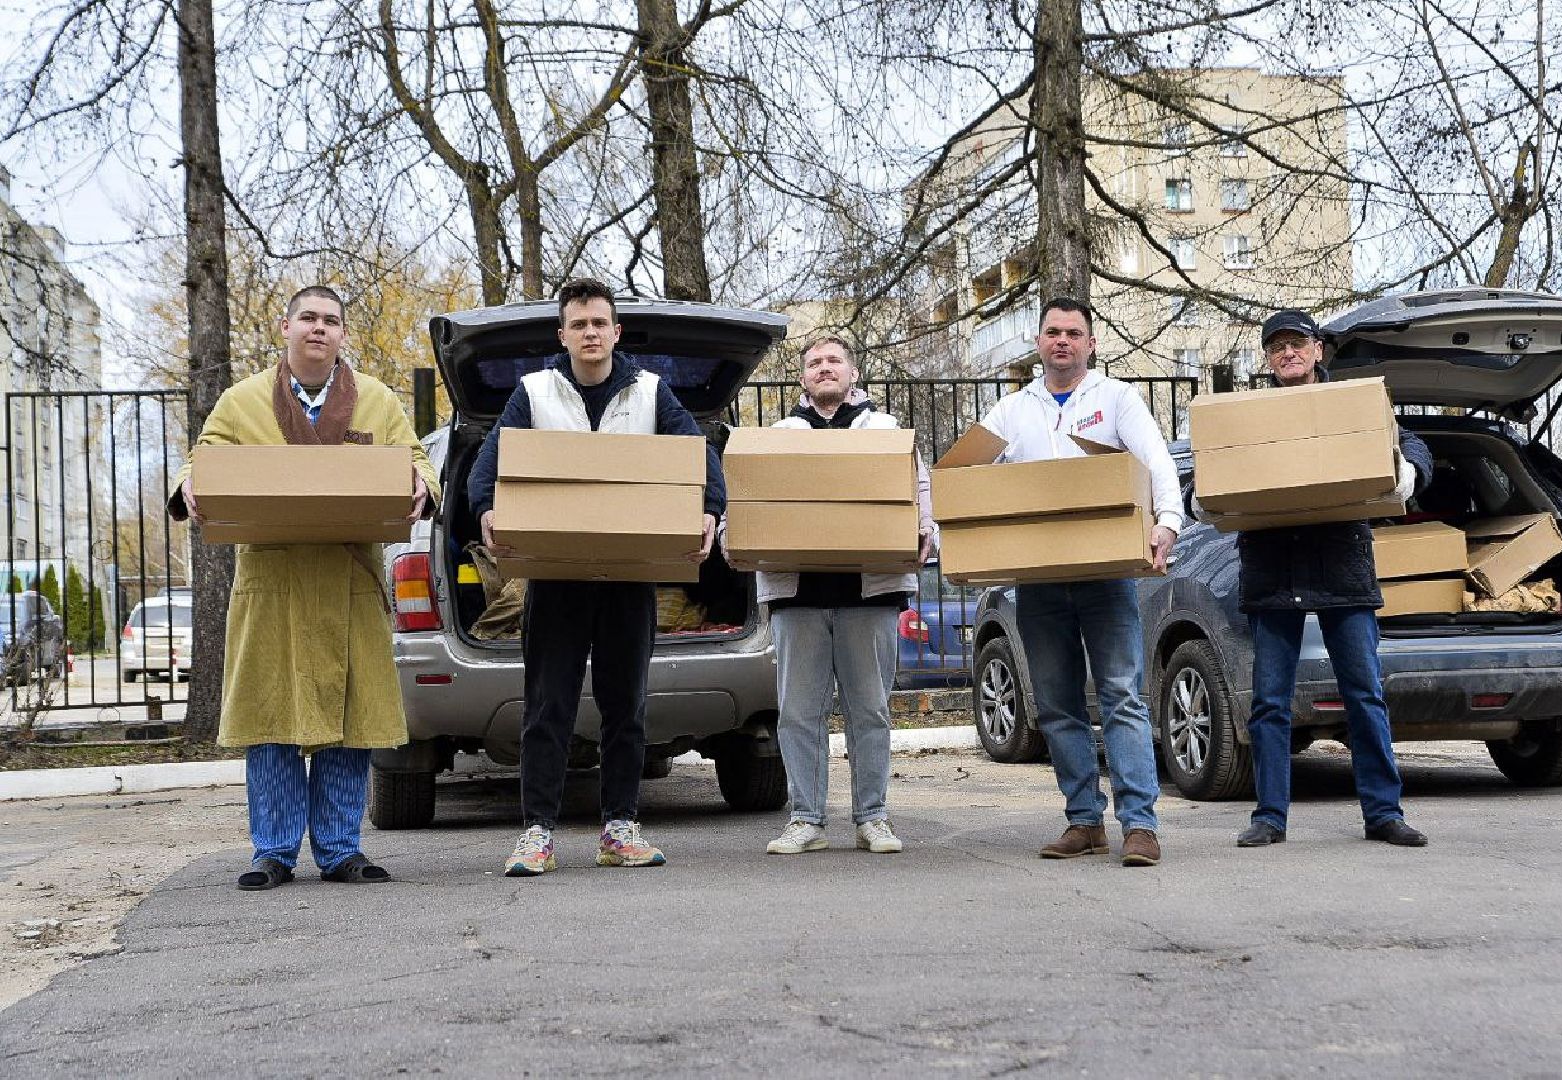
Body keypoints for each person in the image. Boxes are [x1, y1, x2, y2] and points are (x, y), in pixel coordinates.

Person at [171, 285, 438, 891]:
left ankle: (342, 850)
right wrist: (191, 483)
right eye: (309, 318)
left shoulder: (375, 400)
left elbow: (417, 459)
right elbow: (203, 458)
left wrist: (422, 481)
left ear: (343, 335)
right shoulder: (241, 403)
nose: (320, 329)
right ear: (285, 327)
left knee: (352, 721)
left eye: (332, 321)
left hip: (350, 580)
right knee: (272, 721)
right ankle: (273, 852)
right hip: (274, 582)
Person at [466, 278, 723, 876]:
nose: (589, 333)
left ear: (616, 332)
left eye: (598, 323)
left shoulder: (652, 392)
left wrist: (709, 508)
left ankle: (620, 829)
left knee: (625, 707)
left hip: (629, 575)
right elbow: (489, 463)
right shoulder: (533, 392)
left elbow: (697, 453)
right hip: (554, 577)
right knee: (546, 706)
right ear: (562, 334)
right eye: (578, 324)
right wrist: (486, 509)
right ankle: (537, 834)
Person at [1194, 309, 1432, 849]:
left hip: (1340, 567)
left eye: (1297, 343)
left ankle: (1383, 813)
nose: (1288, 354)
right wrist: (1199, 495)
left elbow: (1410, 443)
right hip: (1273, 573)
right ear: (1268, 359)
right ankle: (1270, 816)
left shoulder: (1351, 404)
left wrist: (1410, 470)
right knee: (1270, 703)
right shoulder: (1248, 415)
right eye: (1277, 347)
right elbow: (1209, 464)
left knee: (1364, 695)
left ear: (1318, 350)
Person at [980, 296, 1181, 867]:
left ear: (1090, 343)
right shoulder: (1012, 410)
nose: (1062, 340)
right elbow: (968, 473)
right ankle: (1084, 821)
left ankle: (1140, 825)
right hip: (1039, 580)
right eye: (1052, 332)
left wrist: (1167, 522)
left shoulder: (1116, 398)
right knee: (1056, 704)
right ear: (1038, 343)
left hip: (1106, 576)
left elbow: (1156, 460)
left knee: (1121, 694)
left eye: (1073, 332)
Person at [740, 335, 938, 856]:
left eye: (833, 361)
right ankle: (805, 820)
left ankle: (873, 817)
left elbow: (919, 491)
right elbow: (752, 497)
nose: (824, 369)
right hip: (795, 593)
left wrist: (926, 530)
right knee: (798, 713)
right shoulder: (780, 436)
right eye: (814, 363)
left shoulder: (887, 431)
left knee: (869, 709)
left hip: (870, 592)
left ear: (853, 372)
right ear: (803, 378)